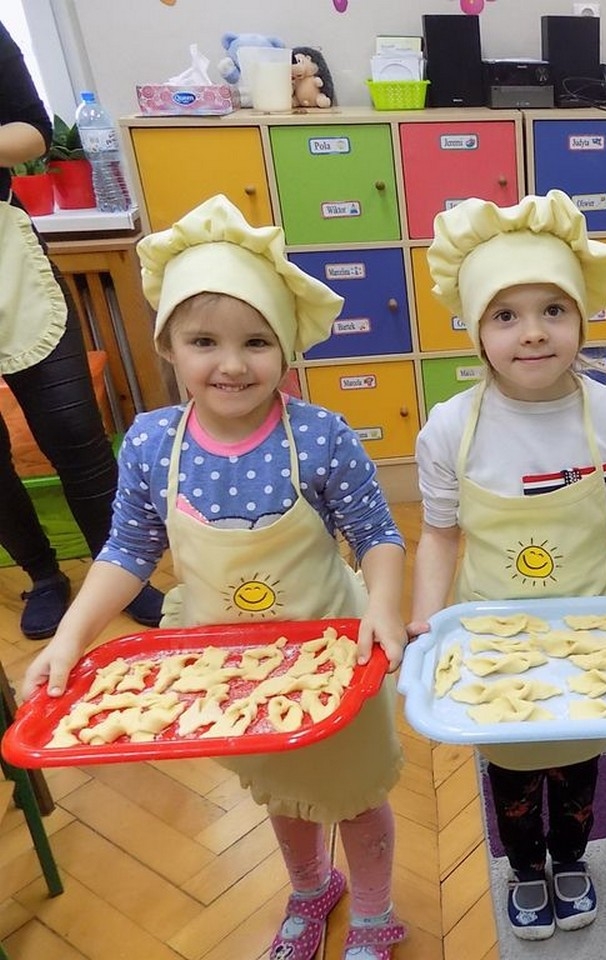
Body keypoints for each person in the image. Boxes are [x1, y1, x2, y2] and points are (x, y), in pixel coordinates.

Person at [22, 195, 409, 960]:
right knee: (280, 790)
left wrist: (387, 609)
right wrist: (69, 639)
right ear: (167, 345)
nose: (232, 364)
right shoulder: (151, 444)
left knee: (354, 793)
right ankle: (310, 889)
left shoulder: (321, 437)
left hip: (333, 655)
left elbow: (377, 535)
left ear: (287, 348)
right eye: (204, 341)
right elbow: (126, 553)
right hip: (227, 669)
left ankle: (374, 914)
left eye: (256, 342)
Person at [409, 190, 606, 941]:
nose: (532, 332)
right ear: (475, 329)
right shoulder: (450, 429)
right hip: (496, 632)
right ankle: (525, 869)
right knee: (513, 770)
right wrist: (425, 619)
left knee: (580, 762)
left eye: (553, 309)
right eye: (504, 315)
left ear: (583, 318)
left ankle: (573, 857)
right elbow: (440, 535)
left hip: (595, 628)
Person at [0, 20, 162, 638]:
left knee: (73, 430)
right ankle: (44, 575)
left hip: (9, 260)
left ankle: (122, 569)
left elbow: (30, 131)